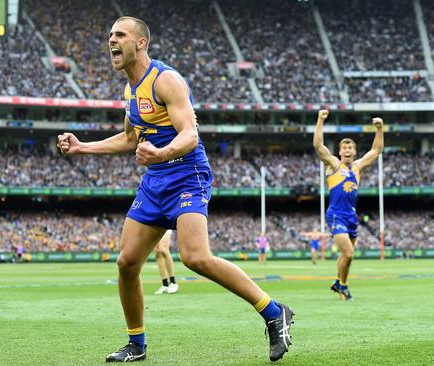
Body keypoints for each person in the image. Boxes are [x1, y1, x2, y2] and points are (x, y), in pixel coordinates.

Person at [57, 16, 294, 363]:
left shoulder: (165, 80)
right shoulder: (130, 90)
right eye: (110, 35)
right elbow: (128, 138)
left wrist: (161, 152)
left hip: (187, 173)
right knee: (126, 263)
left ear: (140, 43)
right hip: (155, 181)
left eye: (120, 35)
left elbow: (189, 135)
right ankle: (136, 344)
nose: (111, 40)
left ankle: (274, 312)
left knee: (195, 257)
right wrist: (82, 148)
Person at [313, 109, 383, 301]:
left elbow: (376, 150)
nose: (347, 151)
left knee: (346, 257)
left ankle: (338, 281)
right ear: (340, 152)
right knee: (349, 253)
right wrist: (320, 119)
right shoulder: (334, 165)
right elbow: (318, 146)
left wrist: (379, 129)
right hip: (336, 214)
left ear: (354, 152)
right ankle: (343, 286)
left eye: (350, 148)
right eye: (344, 148)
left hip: (352, 216)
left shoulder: (357, 167)